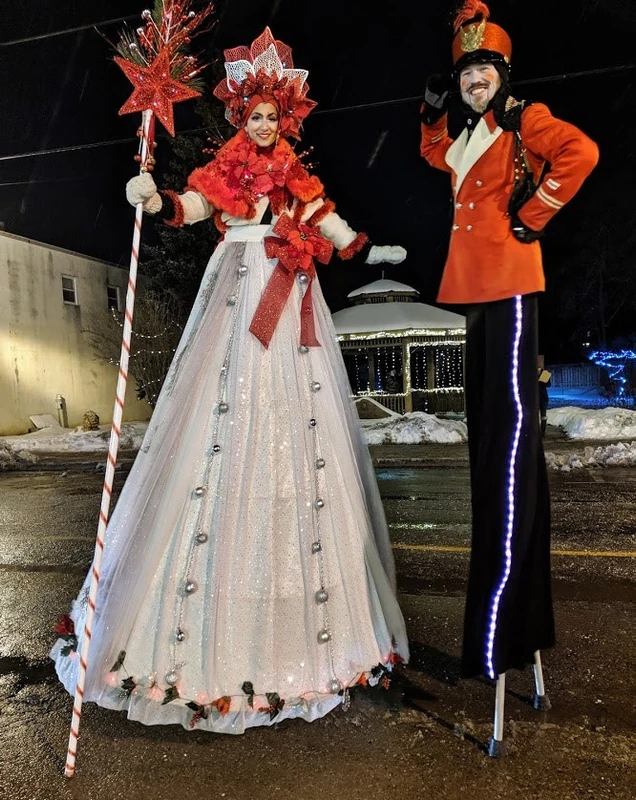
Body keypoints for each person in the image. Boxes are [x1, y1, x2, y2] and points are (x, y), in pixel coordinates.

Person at [51, 27, 409, 734]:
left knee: (295, 421)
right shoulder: (228, 168)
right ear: (241, 117)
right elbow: (195, 207)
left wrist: (356, 245)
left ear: (287, 119)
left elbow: (324, 217)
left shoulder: (296, 179)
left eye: (274, 115)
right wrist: (154, 200)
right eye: (255, 115)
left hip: (291, 293)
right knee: (224, 411)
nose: (265, 124)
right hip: (242, 287)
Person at [419, 1, 598, 681]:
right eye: (465, 71)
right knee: (489, 445)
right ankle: (501, 618)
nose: (474, 80)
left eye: (483, 69)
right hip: (473, 292)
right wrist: (432, 113)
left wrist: (536, 214)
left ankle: (506, 622)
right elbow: (435, 154)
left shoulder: (525, 119)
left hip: (513, 287)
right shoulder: (468, 135)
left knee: (512, 447)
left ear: (502, 73)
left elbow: (582, 153)